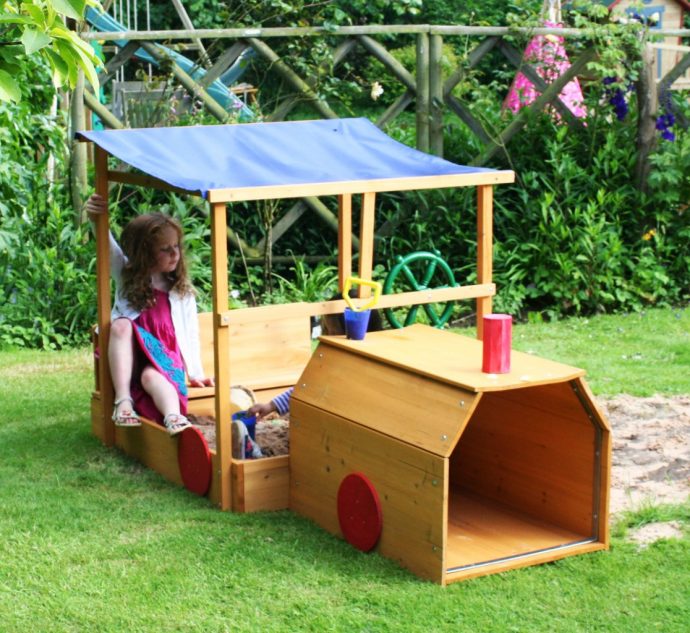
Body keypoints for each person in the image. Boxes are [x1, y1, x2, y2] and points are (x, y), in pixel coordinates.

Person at [86, 194, 213, 436]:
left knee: (151, 376)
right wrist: (96, 220)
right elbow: (107, 247)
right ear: (144, 253)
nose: (174, 253)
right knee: (121, 325)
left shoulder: (181, 292)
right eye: (165, 249)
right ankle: (123, 402)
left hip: (163, 360)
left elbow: (190, 333)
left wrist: (196, 373)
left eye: (176, 246)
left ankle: (174, 418)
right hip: (130, 357)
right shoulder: (127, 277)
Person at [247, 302, 383, 421]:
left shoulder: (373, 364)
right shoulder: (332, 362)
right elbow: (307, 387)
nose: (323, 336)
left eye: (330, 331)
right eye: (324, 329)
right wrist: (271, 405)